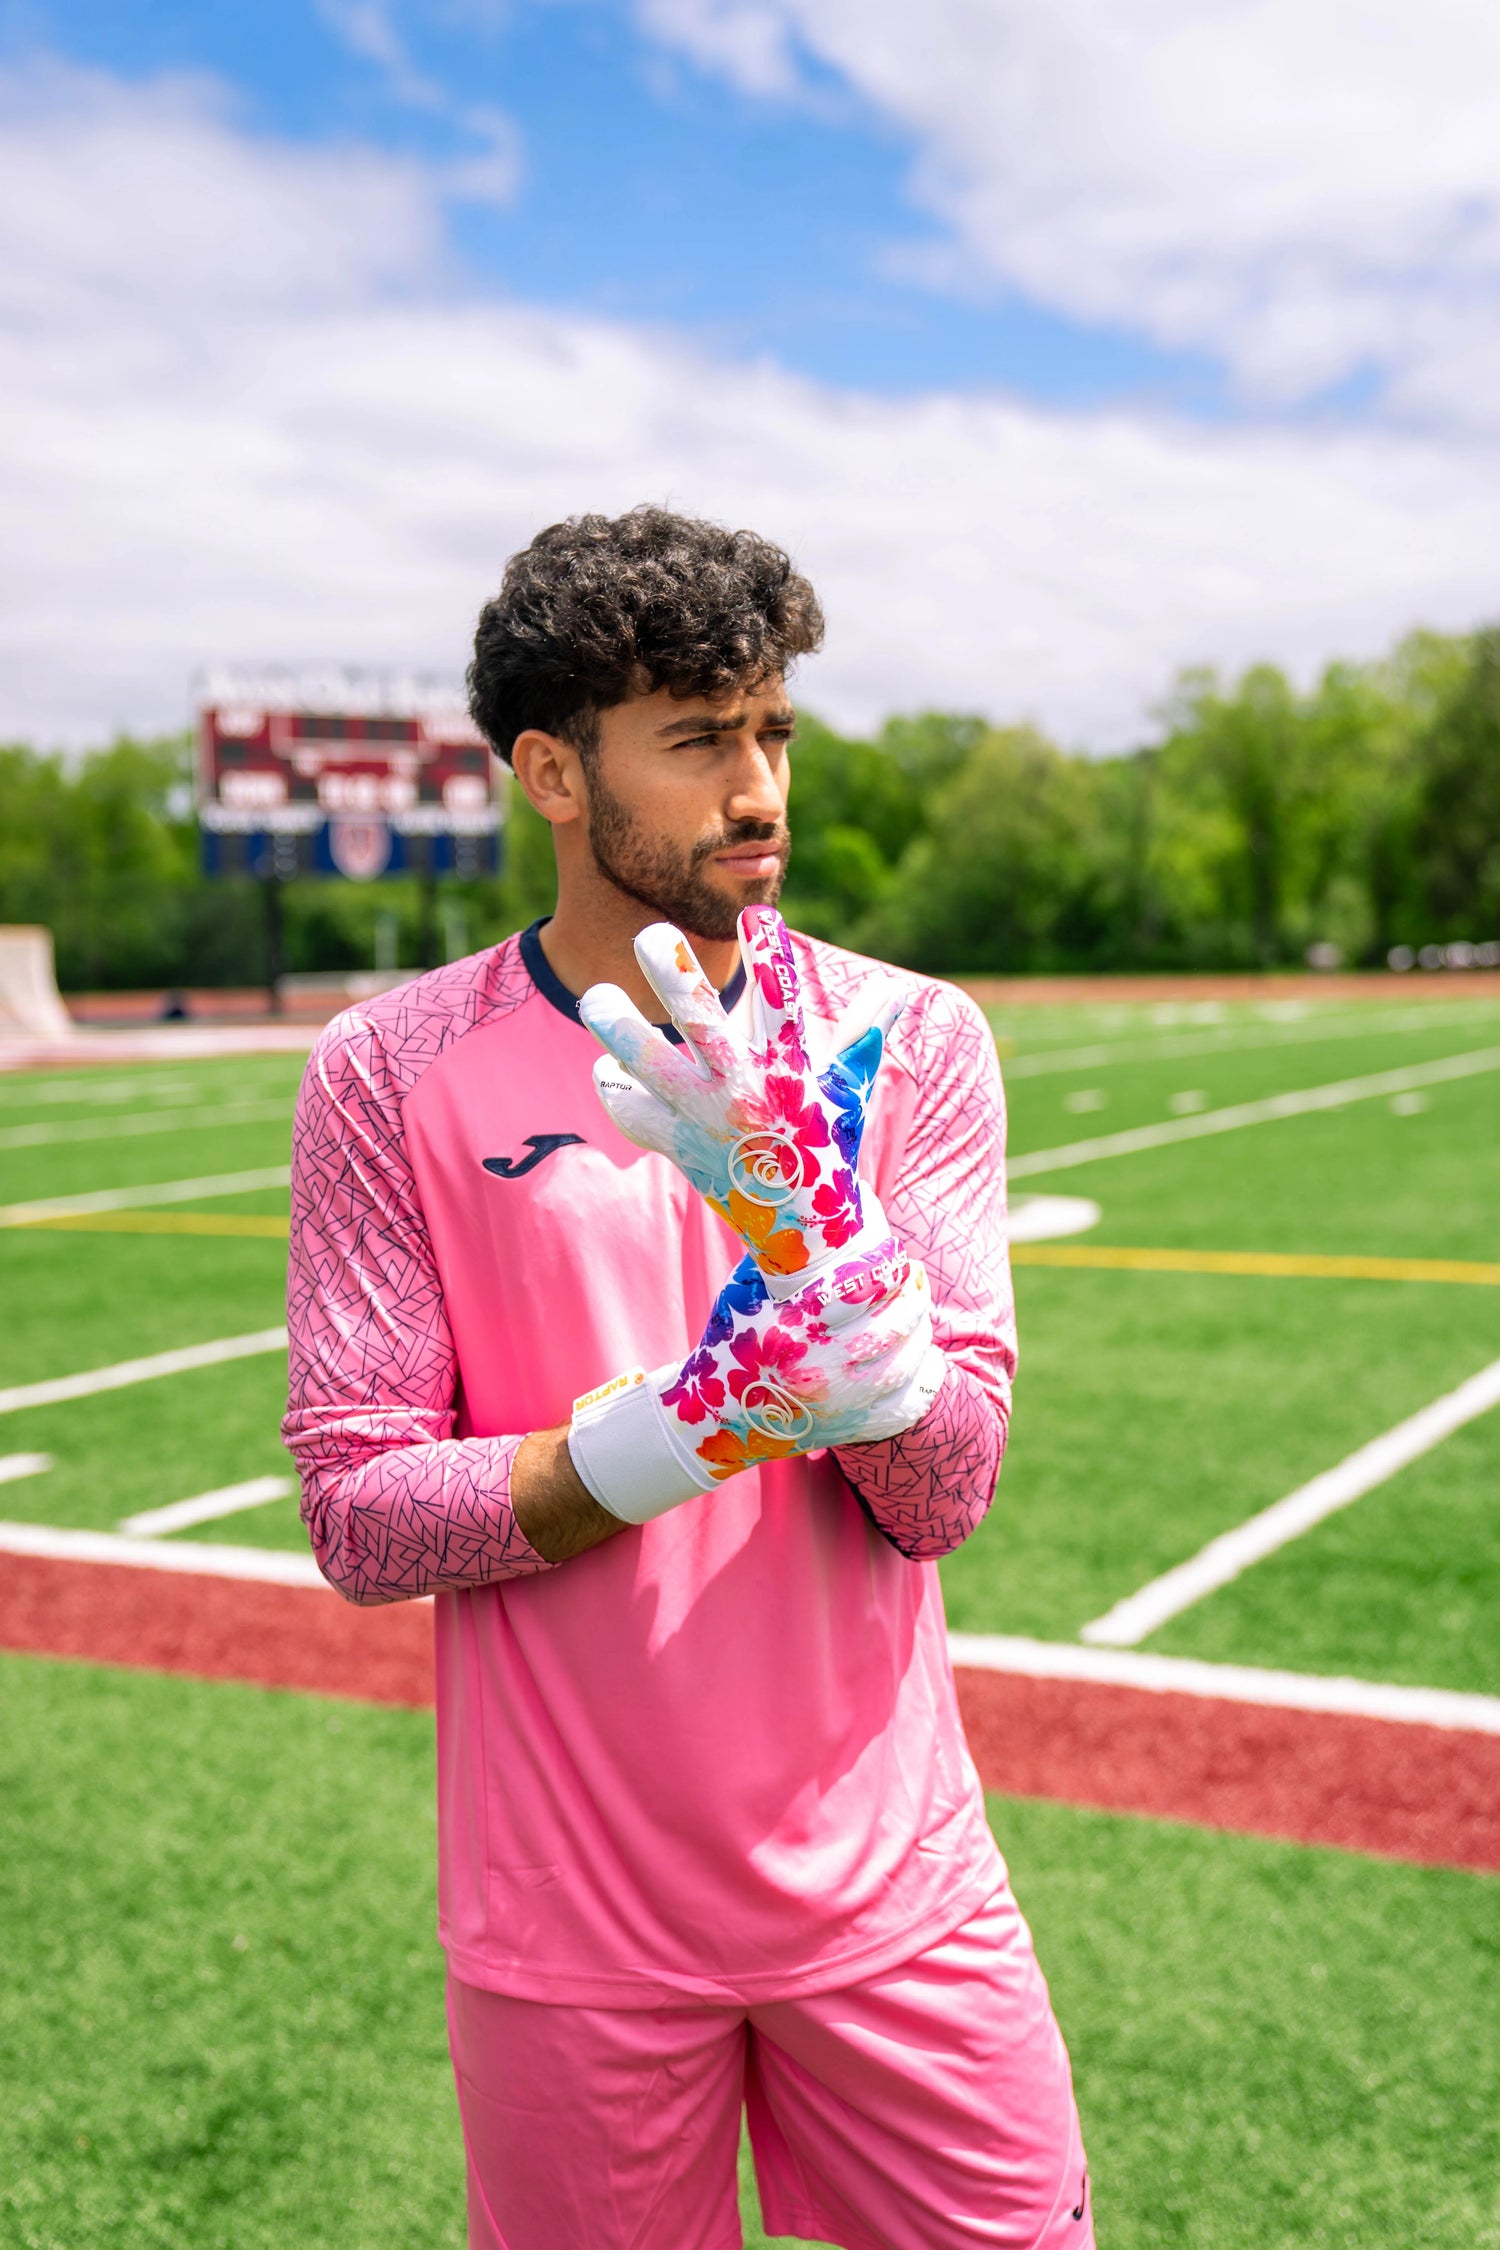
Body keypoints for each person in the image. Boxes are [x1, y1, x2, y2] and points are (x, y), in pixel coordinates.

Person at [283, 506, 1092, 2249]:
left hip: (895, 1892)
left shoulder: (908, 1038)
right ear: (552, 774)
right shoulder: (389, 1069)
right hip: (567, 1921)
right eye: (698, 737)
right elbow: (357, 1512)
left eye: (774, 729)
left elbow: (946, 1493)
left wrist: (834, 1279)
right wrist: (689, 1426)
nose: (759, 789)